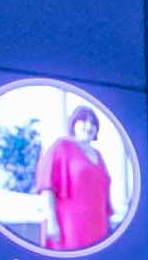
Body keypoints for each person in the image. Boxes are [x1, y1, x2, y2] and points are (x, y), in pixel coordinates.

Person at [42, 103, 115, 252]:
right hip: (70, 225)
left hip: (99, 226)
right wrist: (52, 222)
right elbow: (47, 187)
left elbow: (104, 194)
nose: (89, 126)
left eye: (93, 123)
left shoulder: (99, 156)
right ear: (74, 123)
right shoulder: (61, 147)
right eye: (84, 120)